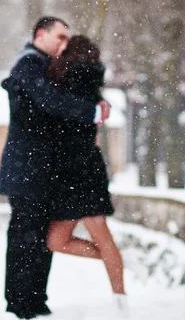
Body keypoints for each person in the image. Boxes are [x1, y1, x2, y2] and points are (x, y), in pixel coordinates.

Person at [0, 17, 110, 320]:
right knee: (25, 238)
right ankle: (20, 305)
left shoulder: (44, 65)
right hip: (26, 170)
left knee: (40, 239)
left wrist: (96, 101)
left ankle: (34, 301)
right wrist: (92, 111)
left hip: (41, 170)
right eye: (59, 37)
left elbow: (64, 96)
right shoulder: (28, 64)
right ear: (40, 34)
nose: (64, 44)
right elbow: (50, 100)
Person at [45, 35, 126, 303]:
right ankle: (113, 258)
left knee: (98, 232)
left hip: (82, 169)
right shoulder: (84, 85)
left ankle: (119, 296)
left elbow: (69, 124)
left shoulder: (74, 81)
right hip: (73, 170)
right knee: (56, 240)